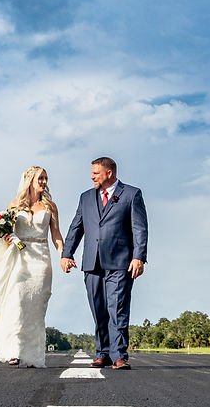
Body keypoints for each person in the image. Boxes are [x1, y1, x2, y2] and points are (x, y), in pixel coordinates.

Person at [62, 157, 148, 370]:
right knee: (98, 309)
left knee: (117, 308)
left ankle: (119, 355)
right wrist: (67, 253)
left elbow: (139, 228)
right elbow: (76, 226)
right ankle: (103, 354)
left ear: (109, 173)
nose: (92, 177)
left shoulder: (131, 194)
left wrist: (139, 256)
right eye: (92, 173)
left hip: (120, 262)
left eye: (96, 173)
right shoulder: (86, 197)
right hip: (92, 263)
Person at [0, 166, 64, 368]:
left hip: (41, 259)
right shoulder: (14, 206)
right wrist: (6, 236)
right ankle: (14, 351)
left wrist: (63, 255)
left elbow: (56, 235)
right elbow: (7, 234)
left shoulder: (51, 207)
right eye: (40, 178)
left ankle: (33, 355)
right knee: (17, 302)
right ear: (29, 180)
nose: (44, 182)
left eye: (46, 178)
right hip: (20, 257)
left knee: (36, 306)